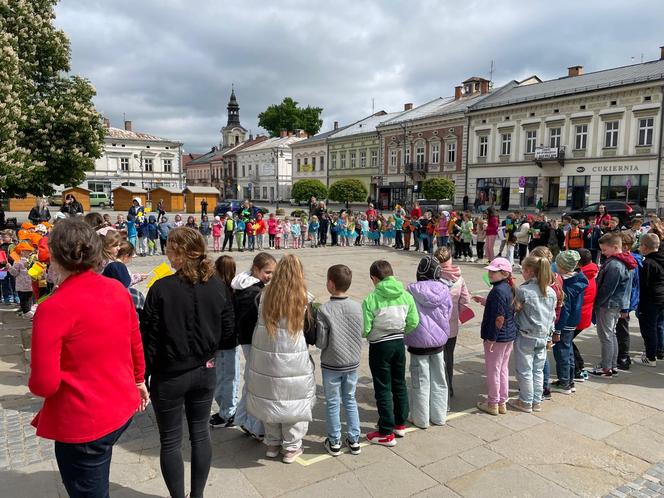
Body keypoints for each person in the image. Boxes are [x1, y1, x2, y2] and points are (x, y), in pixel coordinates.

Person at [29, 218, 147, 498]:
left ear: (56, 257)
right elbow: (135, 343)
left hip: (83, 421)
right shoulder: (116, 288)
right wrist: (139, 380)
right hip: (121, 406)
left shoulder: (52, 309)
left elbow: (43, 385)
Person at [141, 227, 235, 498]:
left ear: (182, 253)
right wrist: (208, 347)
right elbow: (228, 331)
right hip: (203, 371)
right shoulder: (218, 285)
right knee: (200, 433)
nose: (167, 253)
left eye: (170, 248)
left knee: (171, 440)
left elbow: (148, 337)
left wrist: (143, 375)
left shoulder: (162, 288)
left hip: (170, 375)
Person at [246, 255, 316, 463]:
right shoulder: (303, 297)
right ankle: (292, 447)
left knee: (271, 398)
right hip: (293, 358)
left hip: (266, 358)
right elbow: (311, 331)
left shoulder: (264, 295)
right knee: (294, 402)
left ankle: (272, 443)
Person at [362, 260, 419, 446]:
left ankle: (386, 430)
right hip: (398, 343)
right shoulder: (405, 295)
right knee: (399, 383)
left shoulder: (371, 299)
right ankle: (400, 423)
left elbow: (365, 328)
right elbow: (413, 321)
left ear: (374, 278)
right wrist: (402, 331)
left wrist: (371, 334)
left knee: (382, 387)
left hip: (380, 345)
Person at [316, 264, 363, 457]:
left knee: (333, 402)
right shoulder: (357, 307)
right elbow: (361, 332)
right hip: (352, 362)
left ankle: (334, 440)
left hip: (332, 363)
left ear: (330, 284)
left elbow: (321, 341)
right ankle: (354, 439)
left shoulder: (324, 310)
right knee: (350, 399)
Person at [233, 252, 277, 441]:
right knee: (256, 383)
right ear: (256, 270)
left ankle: (245, 419)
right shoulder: (253, 291)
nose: (270, 276)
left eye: (273, 273)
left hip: (247, 340)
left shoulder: (244, 283)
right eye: (267, 272)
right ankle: (254, 426)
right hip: (253, 341)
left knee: (251, 380)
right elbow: (252, 321)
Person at [405, 257, 452, 428]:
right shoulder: (444, 290)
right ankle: (439, 416)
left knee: (420, 381)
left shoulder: (411, 291)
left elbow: (408, 315)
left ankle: (421, 419)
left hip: (418, 343)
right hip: (439, 343)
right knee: (439, 379)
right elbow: (448, 312)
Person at [508, 256, 556, 413]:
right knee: (537, 370)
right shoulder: (551, 292)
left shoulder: (524, 290)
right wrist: (549, 337)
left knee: (525, 370)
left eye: (523, 270)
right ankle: (536, 401)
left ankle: (526, 401)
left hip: (526, 336)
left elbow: (514, 308)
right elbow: (552, 317)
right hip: (543, 336)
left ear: (528, 271)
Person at [473, 258, 516, 415]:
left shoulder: (497, 291)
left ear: (504, 273)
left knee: (493, 370)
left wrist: (491, 339)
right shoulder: (507, 288)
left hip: (498, 337)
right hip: (509, 335)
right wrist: (485, 301)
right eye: (489, 271)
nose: (489, 273)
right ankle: (502, 402)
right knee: (502, 368)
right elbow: (504, 307)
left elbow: (499, 318)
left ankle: (492, 403)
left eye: (493, 271)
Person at [591, 232, 637, 377]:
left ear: (615, 247)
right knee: (611, 334)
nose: (603, 253)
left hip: (608, 304)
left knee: (606, 336)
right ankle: (612, 365)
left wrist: (596, 303)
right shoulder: (625, 261)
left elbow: (607, 289)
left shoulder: (615, 265)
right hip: (616, 304)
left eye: (605, 250)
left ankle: (606, 367)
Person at [435, 247, 472, 400]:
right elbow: (466, 300)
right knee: (448, 357)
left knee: (436, 359)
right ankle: (449, 387)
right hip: (452, 326)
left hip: (435, 326)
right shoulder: (459, 279)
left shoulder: (434, 278)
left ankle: (438, 389)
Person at [550, 250, 588, 395]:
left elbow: (564, 310)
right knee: (568, 350)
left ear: (563, 268)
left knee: (561, 352)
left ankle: (564, 382)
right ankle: (570, 380)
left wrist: (557, 330)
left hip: (564, 324)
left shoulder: (566, 285)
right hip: (573, 321)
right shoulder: (579, 278)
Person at [210, 256, 241, 429]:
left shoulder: (226, 291)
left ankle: (229, 413)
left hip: (226, 343)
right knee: (224, 378)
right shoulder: (229, 289)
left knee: (227, 378)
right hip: (224, 342)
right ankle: (226, 410)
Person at [615, 232, 642, 371]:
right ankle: (622, 354)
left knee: (622, 328)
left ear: (625, 246)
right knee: (620, 329)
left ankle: (624, 357)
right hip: (626, 300)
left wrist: (625, 307)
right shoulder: (631, 259)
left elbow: (630, 285)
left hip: (624, 301)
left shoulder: (631, 261)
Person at [638, 233, 664, 366]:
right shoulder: (660, 258)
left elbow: (644, 285)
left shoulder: (648, 263)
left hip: (651, 300)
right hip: (661, 298)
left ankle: (650, 357)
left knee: (649, 329)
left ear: (644, 246)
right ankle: (659, 351)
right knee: (659, 326)